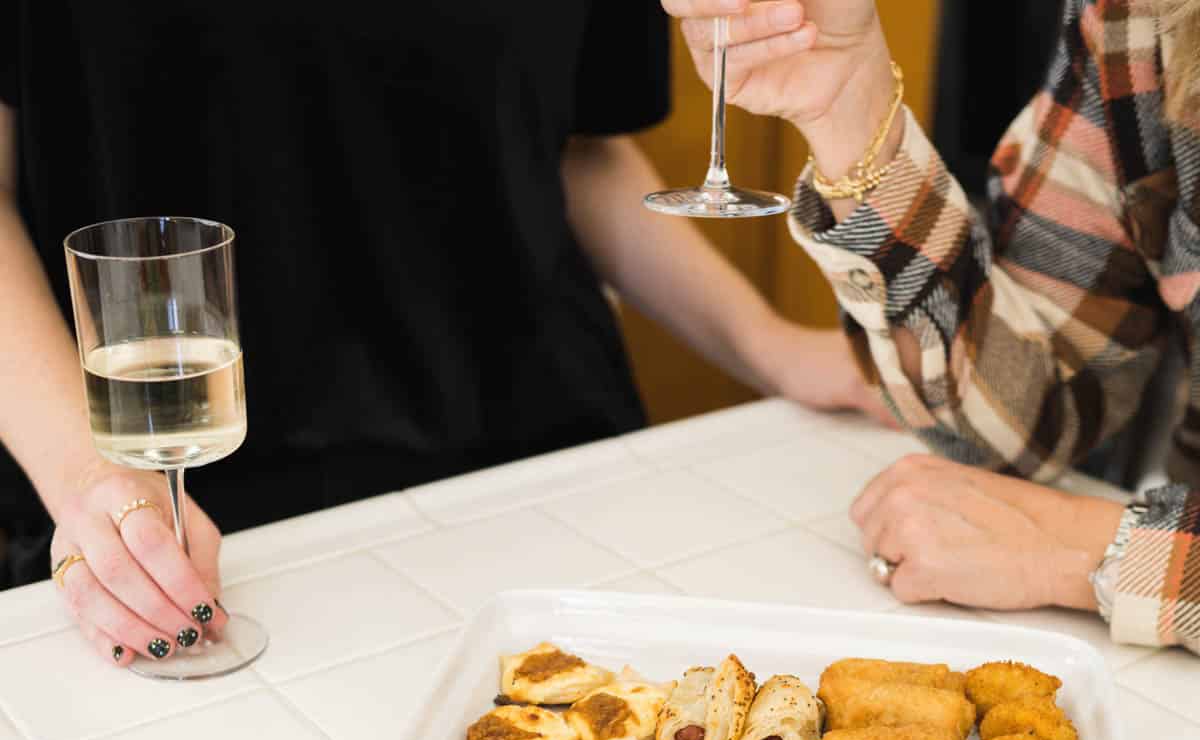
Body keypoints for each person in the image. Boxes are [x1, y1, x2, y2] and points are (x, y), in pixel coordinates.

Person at [0, 3, 886, 663]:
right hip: (195, 533)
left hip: (547, 488)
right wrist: (88, 480)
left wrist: (771, 344)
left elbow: (573, 150)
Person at [663, 0, 1200, 656]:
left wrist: (1091, 547)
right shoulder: (1144, 18)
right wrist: (847, 107)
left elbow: (1047, 523)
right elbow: (1029, 412)